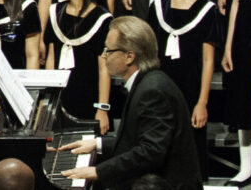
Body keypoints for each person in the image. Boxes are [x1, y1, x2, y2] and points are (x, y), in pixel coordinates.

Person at [57, 17, 203, 190]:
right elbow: (137, 140)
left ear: (129, 56)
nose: (104, 56)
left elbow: (150, 152)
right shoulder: (146, 83)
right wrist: (97, 144)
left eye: (109, 50)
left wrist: (98, 171)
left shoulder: (153, 91)